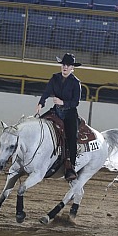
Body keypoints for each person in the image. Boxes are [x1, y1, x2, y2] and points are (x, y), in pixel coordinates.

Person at [35, 53, 82, 181]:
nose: (65, 67)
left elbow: (76, 102)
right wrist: (41, 103)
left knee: (72, 137)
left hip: (70, 113)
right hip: (56, 111)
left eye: (68, 65)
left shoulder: (76, 83)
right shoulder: (55, 78)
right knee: (40, 125)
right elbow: (46, 92)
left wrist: (63, 103)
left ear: (72, 68)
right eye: (63, 65)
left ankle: (70, 166)